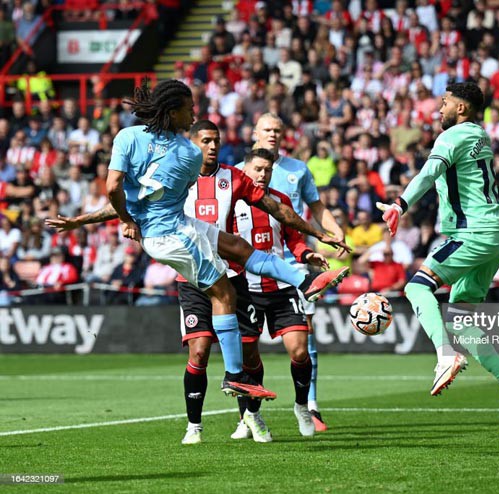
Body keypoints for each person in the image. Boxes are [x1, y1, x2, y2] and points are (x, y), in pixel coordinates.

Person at [46, 80, 350, 405]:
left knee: (238, 247)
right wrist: (125, 219)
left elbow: (119, 191)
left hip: (177, 224)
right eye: (189, 108)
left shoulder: (127, 137)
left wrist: (92, 219)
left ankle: (305, 280)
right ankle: (235, 377)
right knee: (224, 292)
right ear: (173, 110)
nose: (193, 114)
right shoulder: (187, 154)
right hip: (170, 235)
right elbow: (125, 197)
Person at [377, 82, 499, 434]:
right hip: (496, 234)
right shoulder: (480, 135)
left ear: (461, 109)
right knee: (462, 318)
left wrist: (400, 205)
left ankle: (445, 355)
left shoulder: (452, 136)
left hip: (473, 233)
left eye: (445, 103)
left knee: (417, 287)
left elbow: (429, 173)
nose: (439, 109)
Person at [237, 112, 346, 431]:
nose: (263, 174)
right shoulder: (231, 195)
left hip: (286, 277)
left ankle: (306, 406)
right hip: (246, 288)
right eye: (258, 169)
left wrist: (315, 248)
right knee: (247, 356)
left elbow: (298, 230)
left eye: (267, 170)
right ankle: (248, 415)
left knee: (302, 347)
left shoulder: (288, 187)